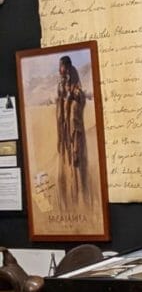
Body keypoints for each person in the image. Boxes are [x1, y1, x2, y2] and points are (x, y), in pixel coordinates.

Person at [55, 54, 89, 208]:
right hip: (65, 137)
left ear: (67, 67)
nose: (59, 69)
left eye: (61, 66)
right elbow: (60, 99)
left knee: (77, 170)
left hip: (74, 139)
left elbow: (79, 98)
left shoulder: (75, 82)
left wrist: (72, 96)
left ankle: (81, 201)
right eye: (59, 67)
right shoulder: (61, 82)